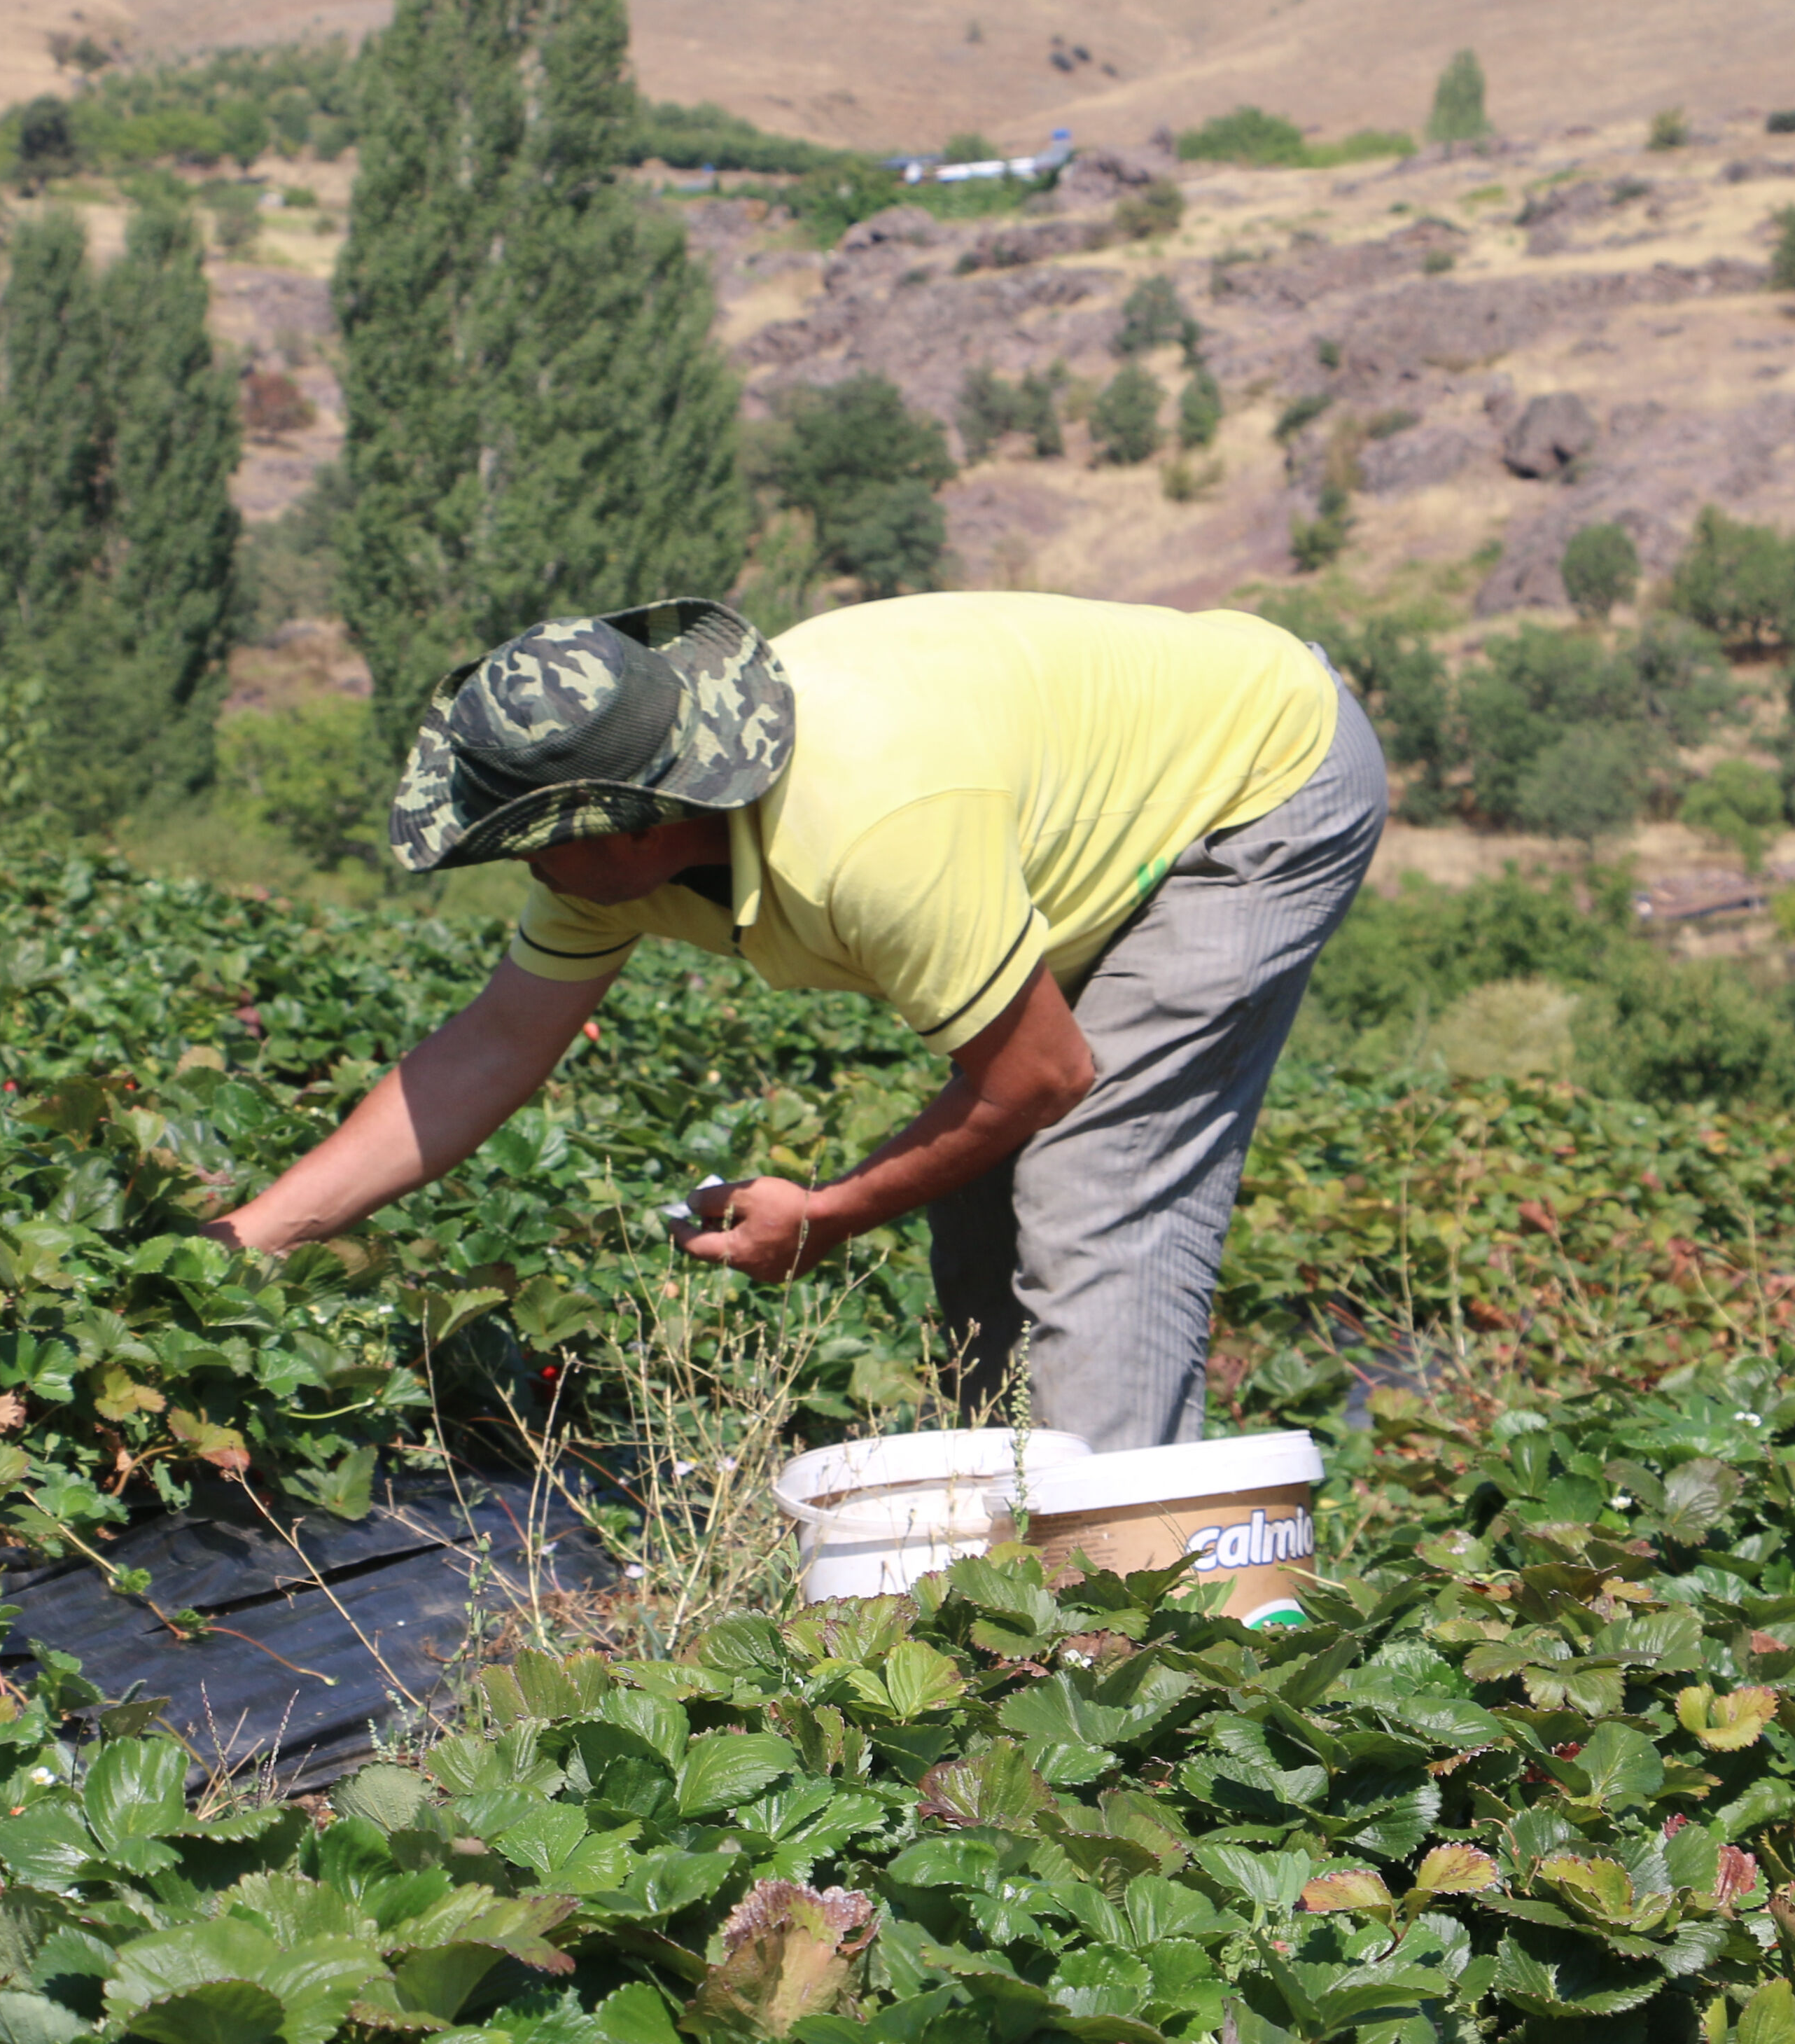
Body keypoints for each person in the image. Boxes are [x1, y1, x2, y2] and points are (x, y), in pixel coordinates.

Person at [212, 590, 1387, 1453]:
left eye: (530, 837)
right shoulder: (618, 855)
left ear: (633, 821)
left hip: (1256, 786)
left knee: (1096, 1188)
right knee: (979, 1200)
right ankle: (1023, 1538)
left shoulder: (868, 831)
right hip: (1068, 813)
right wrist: (245, 1243)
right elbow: (495, 1045)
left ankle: (1124, 1626)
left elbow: (1041, 1077)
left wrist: (825, 1217)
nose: (519, 865)